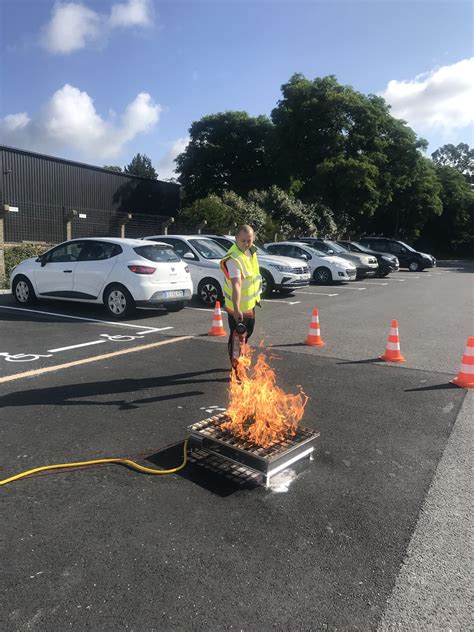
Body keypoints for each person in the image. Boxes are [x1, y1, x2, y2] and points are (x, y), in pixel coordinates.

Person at [220, 224, 262, 366]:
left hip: (249, 305)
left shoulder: (251, 250)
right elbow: (236, 285)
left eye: (249, 240)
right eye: (243, 240)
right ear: (236, 238)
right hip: (237, 307)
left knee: (247, 334)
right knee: (237, 337)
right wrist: (237, 308)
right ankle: (236, 368)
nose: (246, 243)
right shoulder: (234, 259)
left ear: (253, 238)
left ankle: (241, 359)